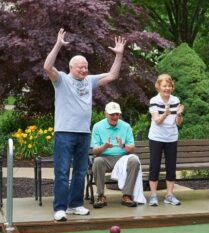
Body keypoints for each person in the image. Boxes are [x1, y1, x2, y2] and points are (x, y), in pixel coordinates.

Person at [43, 28, 126, 221]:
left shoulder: (90, 81)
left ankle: (75, 205)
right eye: (81, 67)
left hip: (83, 133)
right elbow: (47, 67)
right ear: (72, 67)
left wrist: (119, 55)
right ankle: (60, 208)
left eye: (86, 66)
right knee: (62, 172)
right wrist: (58, 44)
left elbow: (112, 75)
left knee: (80, 172)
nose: (84, 69)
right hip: (64, 133)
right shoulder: (61, 79)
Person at [91, 102, 146, 209]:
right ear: (105, 114)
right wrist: (105, 146)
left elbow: (132, 149)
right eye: (112, 114)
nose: (115, 117)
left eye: (117, 114)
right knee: (97, 161)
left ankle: (127, 195)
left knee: (134, 160)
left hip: (122, 158)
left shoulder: (126, 126)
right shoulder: (97, 126)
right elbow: (95, 151)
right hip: (105, 158)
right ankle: (101, 196)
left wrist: (123, 145)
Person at [147, 74, 184, 206]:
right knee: (154, 166)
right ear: (158, 86)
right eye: (164, 86)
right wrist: (165, 114)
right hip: (156, 137)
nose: (167, 88)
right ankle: (153, 196)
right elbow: (157, 121)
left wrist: (178, 114)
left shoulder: (175, 100)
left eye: (169, 86)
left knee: (171, 167)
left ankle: (169, 195)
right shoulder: (154, 100)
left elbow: (178, 123)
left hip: (171, 137)